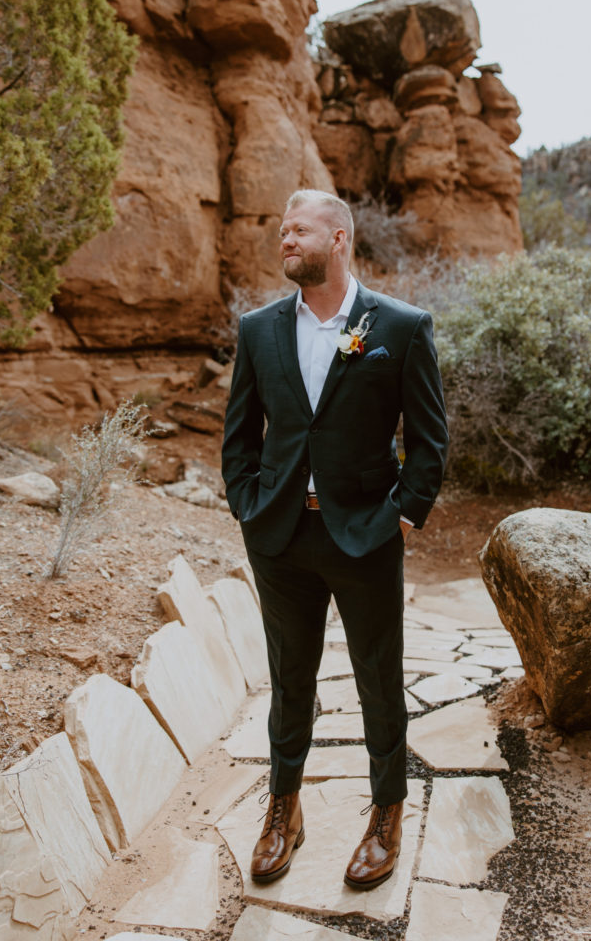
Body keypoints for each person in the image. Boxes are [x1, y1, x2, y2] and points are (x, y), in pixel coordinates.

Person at [221, 189, 448, 890]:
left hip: (366, 536)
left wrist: (401, 515)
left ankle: (386, 814)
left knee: (379, 679)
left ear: (340, 239)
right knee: (290, 681)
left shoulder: (401, 327)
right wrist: (249, 509)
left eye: (299, 231)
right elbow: (239, 437)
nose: (285, 240)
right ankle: (282, 809)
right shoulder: (258, 330)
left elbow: (429, 440)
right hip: (281, 537)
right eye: (282, 231)